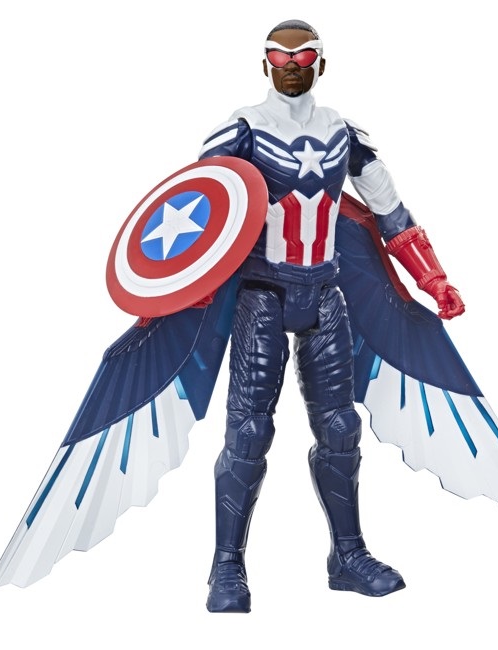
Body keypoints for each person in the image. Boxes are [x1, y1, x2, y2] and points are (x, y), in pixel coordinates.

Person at [199, 19, 465, 613]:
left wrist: (432, 277)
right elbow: (199, 210)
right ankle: (226, 565)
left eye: (304, 55)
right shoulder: (241, 131)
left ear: (321, 62)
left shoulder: (344, 134)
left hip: (325, 291)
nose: (292, 64)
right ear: (264, 63)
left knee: (341, 428)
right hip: (261, 293)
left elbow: (390, 209)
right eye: (280, 55)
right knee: (248, 432)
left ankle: (347, 555)